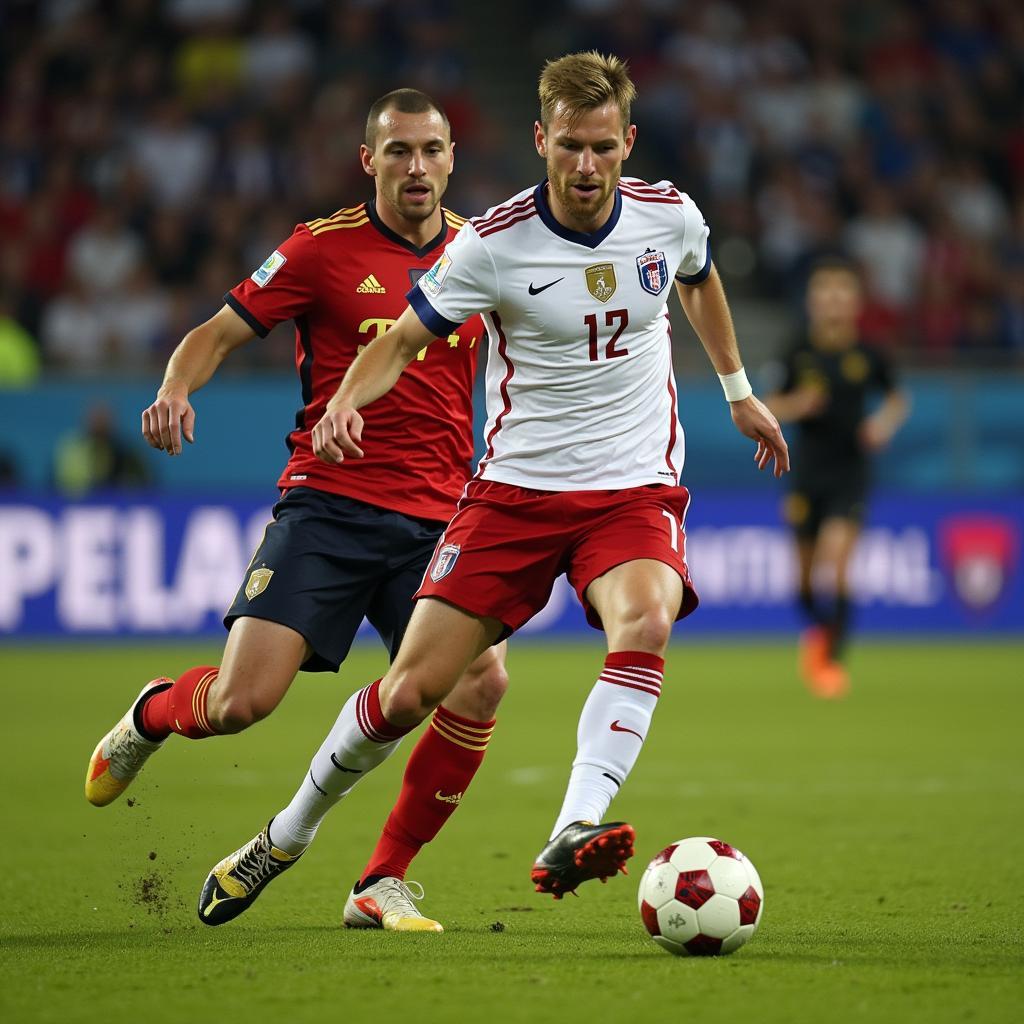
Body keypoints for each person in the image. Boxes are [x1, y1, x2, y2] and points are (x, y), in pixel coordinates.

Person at [201, 51, 788, 928]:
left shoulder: (671, 217)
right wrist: (341, 407)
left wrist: (739, 393)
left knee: (646, 620)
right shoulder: (493, 244)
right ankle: (285, 836)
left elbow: (699, 281)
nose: (585, 169)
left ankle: (572, 825)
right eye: (569, 148)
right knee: (407, 695)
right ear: (540, 139)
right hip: (512, 495)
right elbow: (397, 341)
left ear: (627, 142)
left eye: (602, 148)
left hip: (633, 490)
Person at [84, 89, 509, 932]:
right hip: (329, 507)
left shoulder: (482, 255)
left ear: (453, 158)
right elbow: (216, 331)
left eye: (431, 150)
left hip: (437, 523)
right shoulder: (321, 249)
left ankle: (379, 881)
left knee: (479, 683)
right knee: (240, 704)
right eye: (398, 152)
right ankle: (151, 714)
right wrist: (175, 385)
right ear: (369, 160)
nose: (416, 167)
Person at [765, 258, 908, 698]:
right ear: (812, 301)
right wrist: (797, 405)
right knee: (804, 583)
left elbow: (897, 398)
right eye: (825, 292)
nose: (833, 300)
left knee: (838, 562)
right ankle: (820, 633)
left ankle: (831, 662)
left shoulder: (868, 354)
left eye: (841, 292)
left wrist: (882, 424)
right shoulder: (797, 350)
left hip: (851, 471)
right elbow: (769, 403)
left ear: (855, 302)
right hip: (807, 472)